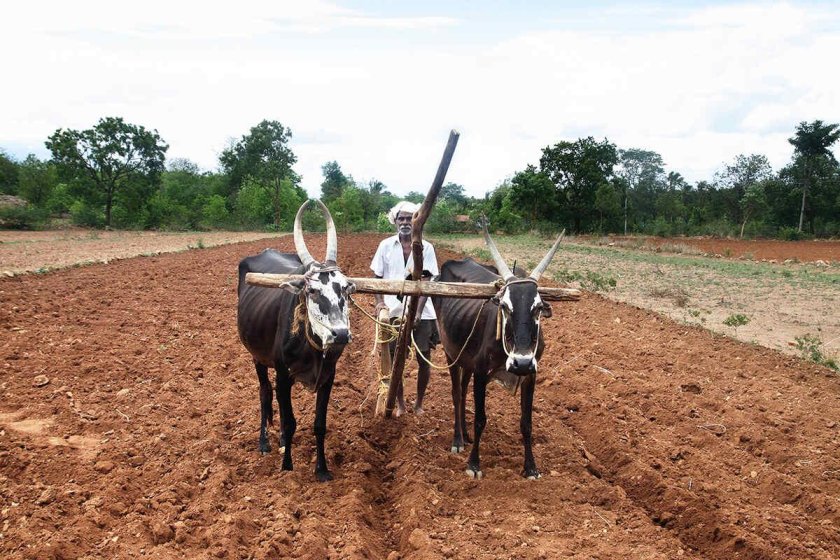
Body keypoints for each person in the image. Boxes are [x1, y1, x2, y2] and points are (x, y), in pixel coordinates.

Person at [370, 201, 440, 415]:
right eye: (401, 218)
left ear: (416, 221)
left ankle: (419, 403)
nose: (405, 222)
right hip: (393, 311)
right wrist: (379, 302)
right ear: (395, 221)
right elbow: (377, 277)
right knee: (395, 359)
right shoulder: (385, 246)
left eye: (410, 218)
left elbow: (427, 282)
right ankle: (400, 404)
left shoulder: (427, 248)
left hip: (423, 313)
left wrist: (417, 312)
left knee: (423, 358)